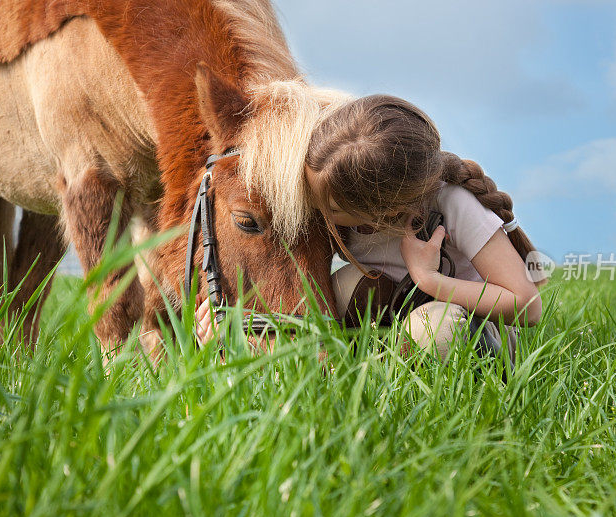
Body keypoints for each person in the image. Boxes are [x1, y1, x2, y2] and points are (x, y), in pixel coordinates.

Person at [196, 94, 542, 363]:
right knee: (343, 287)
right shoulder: (338, 207)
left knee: (435, 331)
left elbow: (528, 305)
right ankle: (354, 368)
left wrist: (429, 279)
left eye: (329, 207)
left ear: (381, 213)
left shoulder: (454, 205)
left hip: (464, 321)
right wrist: (232, 317)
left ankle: (445, 369)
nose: (318, 210)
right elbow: (285, 276)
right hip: (395, 314)